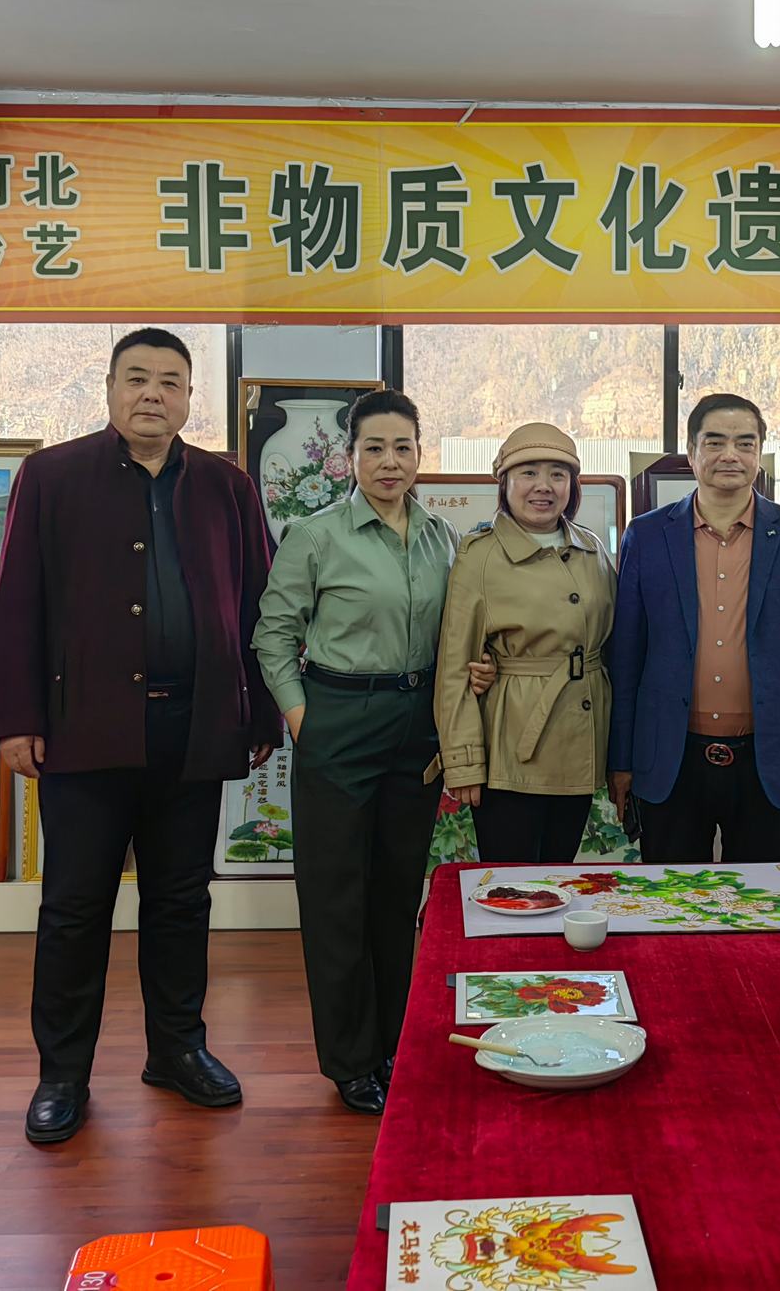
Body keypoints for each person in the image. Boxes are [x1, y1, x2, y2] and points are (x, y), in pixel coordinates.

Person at [0, 327, 281, 1147]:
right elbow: (17, 602)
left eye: (171, 381)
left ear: (189, 398)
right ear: (111, 389)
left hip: (195, 728)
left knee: (182, 902)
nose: (154, 393)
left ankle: (178, 1050)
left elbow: (259, 606)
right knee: (74, 908)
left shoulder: (225, 485)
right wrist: (16, 718)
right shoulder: (52, 476)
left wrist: (258, 712)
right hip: (84, 730)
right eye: (138, 378)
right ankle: (62, 1075)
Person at [253, 389, 459, 1117]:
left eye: (403, 447)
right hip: (338, 715)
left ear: (420, 455)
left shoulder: (440, 537)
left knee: (396, 894)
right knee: (337, 896)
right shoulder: (315, 536)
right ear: (350, 457)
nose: (389, 462)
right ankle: (349, 1060)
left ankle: (393, 1042)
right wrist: (304, 720)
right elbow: (273, 636)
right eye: (375, 448)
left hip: (417, 722)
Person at [607, 393, 780, 863]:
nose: (730, 455)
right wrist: (621, 760)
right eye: (714, 442)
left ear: (759, 455)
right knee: (671, 896)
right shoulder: (646, 536)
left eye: (744, 443)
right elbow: (626, 659)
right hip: (670, 755)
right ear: (691, 453)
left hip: (767, 756)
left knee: (761, 899)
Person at [436, 423, 615, 865]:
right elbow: (455, 666)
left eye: (558, 474)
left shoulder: (592, 549)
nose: (544, 486)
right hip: (511, 747)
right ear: (505, 483)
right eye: (528, 472)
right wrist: (463, 761)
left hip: (580, 741)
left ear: (572, 485)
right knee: (511, 885)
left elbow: (614, 643)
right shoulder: (479, 556)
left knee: (561, 878)